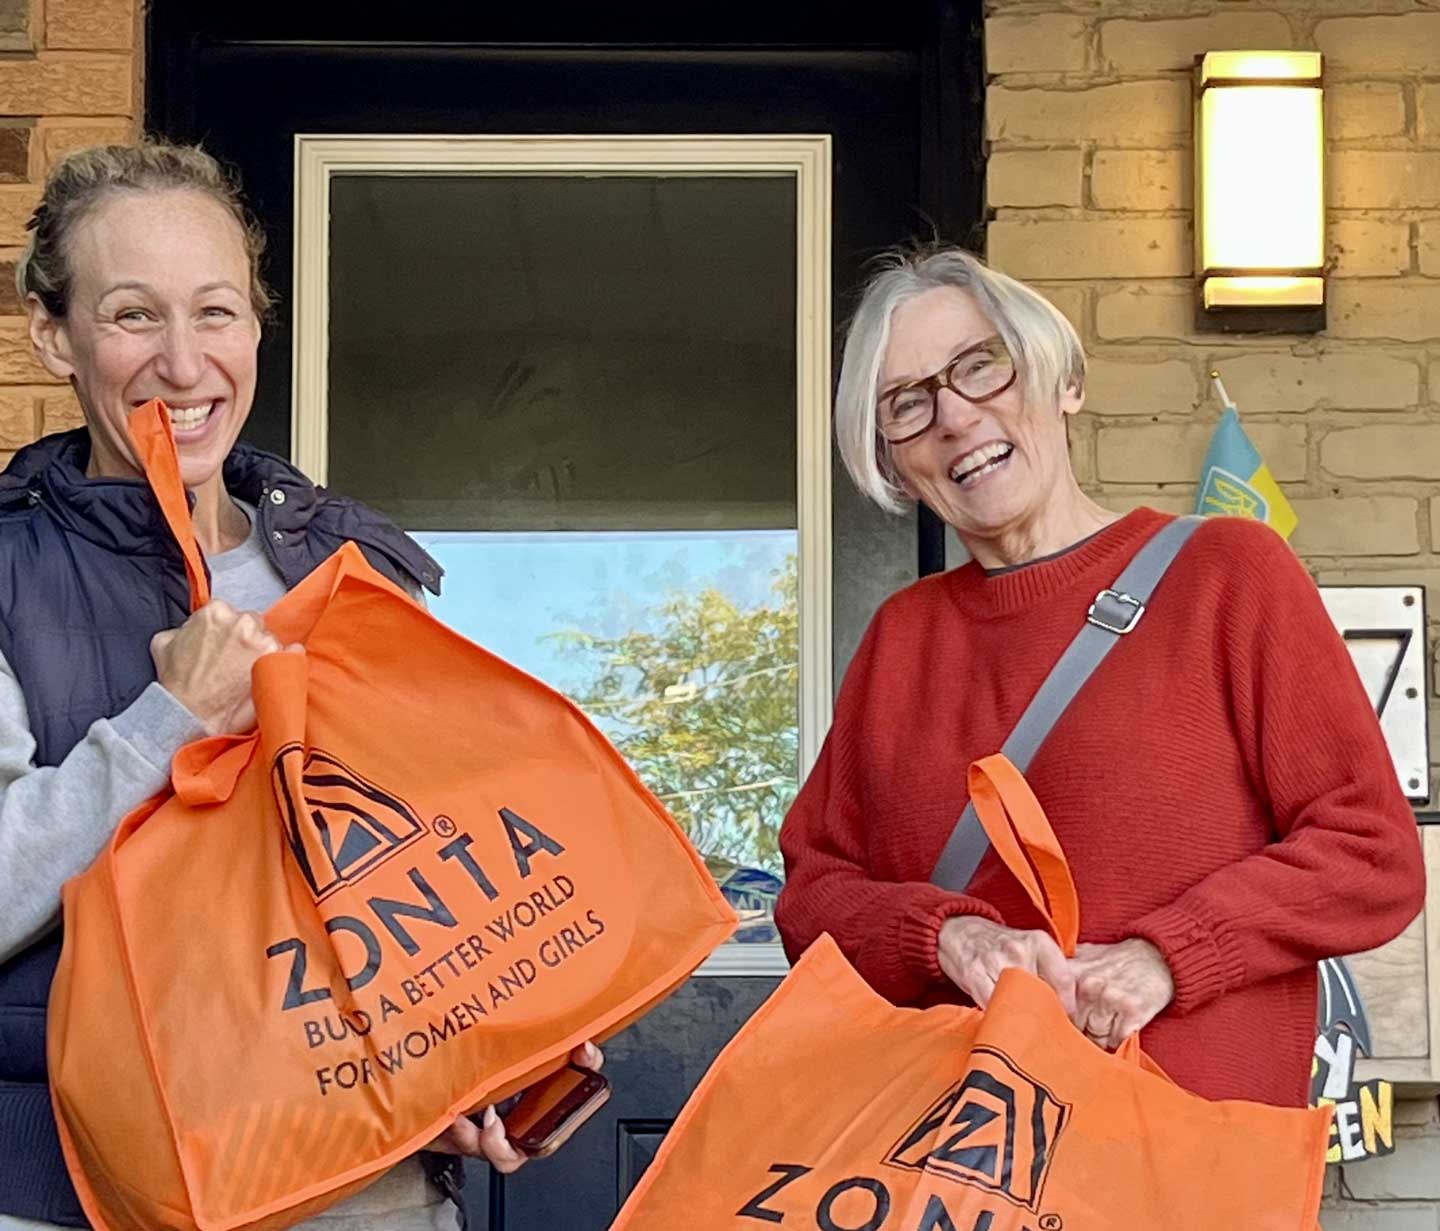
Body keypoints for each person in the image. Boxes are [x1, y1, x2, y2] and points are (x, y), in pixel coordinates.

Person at [0, 140, 595, 1231]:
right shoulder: (4, 575)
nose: (185, 364)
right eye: (134, 315)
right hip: (83, 1191)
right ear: (55, 336)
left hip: (362, 1186)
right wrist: (163, 725)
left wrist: (506, 1036)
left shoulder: (349, 569)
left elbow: (436, 863)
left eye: (217, 313)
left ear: (256, 328)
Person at [774, 244, 1426, 1107]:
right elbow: (814, 897)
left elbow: (1369, 851)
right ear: (895, 464)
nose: (955, 416)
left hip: (1183, 1166)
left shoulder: (1226, 574)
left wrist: (1170, 954)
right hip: (957, 1175)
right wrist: (948, 939)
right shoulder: (904, 638)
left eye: (981, 367)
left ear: (1061, 381)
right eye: (907, 403)